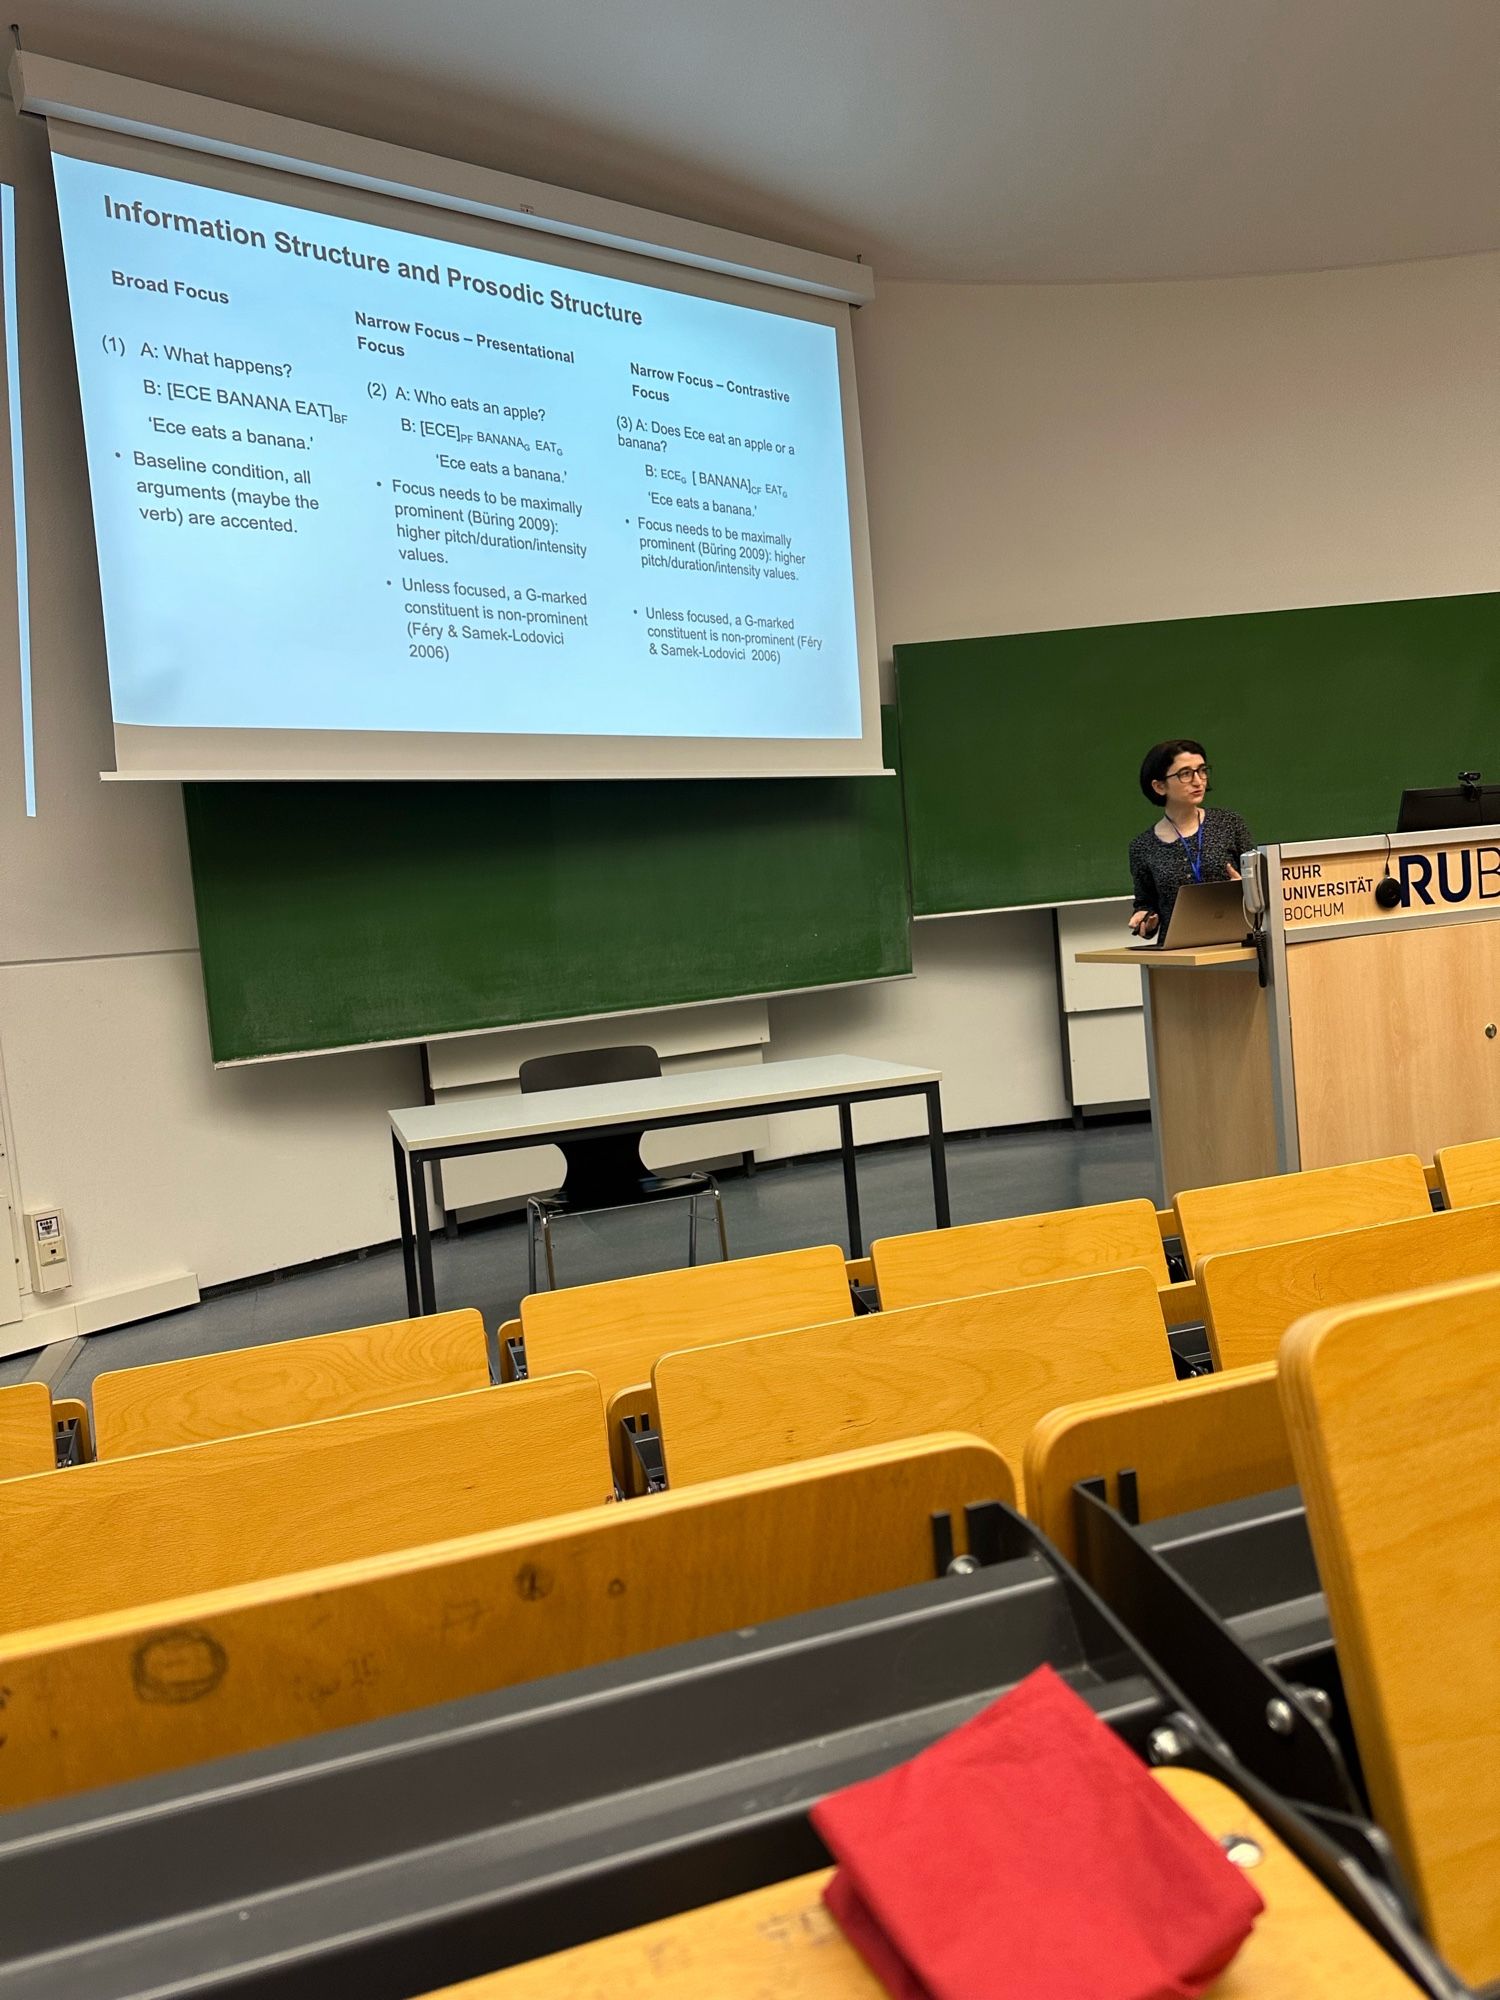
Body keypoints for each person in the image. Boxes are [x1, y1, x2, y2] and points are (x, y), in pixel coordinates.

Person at [1128, 740, 1252, 941]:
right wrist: (1145, 920)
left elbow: (1262, 887)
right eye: (1185, 774)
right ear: (1159, 786)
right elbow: (1145, 905)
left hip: (1237, 944)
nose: (1198, 781)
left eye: (1202, 770)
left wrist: (1247, 889)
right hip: (1178, 951)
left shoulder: (1228, 823)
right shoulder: (1142, 846)